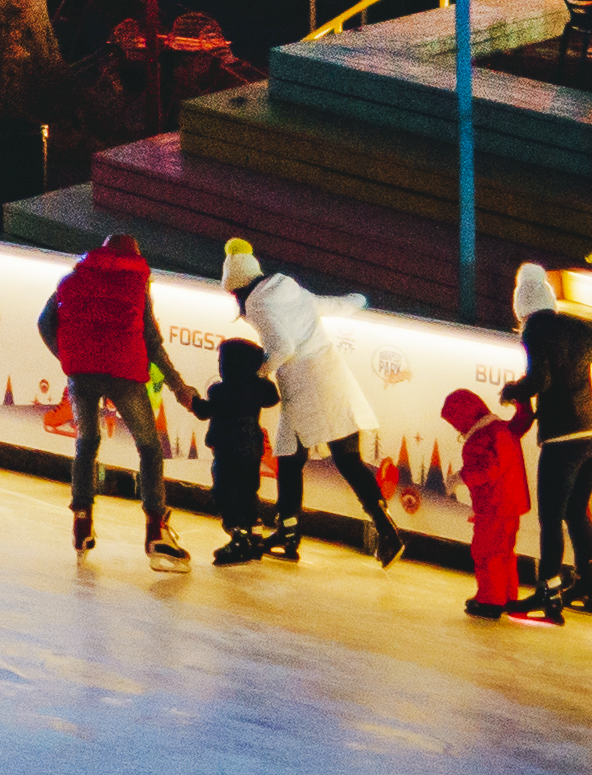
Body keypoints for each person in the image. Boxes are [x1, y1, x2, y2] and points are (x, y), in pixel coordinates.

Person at [219, 242, 399, 569]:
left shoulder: (257, 303)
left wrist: (257, 375)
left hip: (306, 385)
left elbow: (283, 347)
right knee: (295, 457)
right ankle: (289, 533)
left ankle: (384, 533)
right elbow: (328, 305)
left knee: (332, 460)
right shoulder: (286, 286)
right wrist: (361, 299)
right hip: (330, 374)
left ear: (237, 286)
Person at [36, 233, 198, 566]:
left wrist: (69, 356)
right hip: (124, 372)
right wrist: (180, 388)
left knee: (87, 442)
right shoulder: (137, 284)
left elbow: (44, 322)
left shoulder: (74, 277)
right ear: (134, 256)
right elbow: (152, 343)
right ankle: (155, 530)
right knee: (149, 446)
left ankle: (82, 522)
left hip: (82, 372)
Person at [512, 260, 592, 618]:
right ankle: (587, 586)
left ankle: (548, 594)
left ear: (522, 306)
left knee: (551, 518)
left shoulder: (534, 331)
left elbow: (541, 380)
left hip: (564, 435)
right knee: (575, 511)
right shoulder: (573, 325)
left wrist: (513, 391)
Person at [445, 388, 539, 621]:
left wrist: (462, 477)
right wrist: (522, 402)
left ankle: (490, 600)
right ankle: (506, 596)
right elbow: (522, 422)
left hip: (494, 505)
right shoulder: (501, 429)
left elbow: (490, 469)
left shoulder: (485, 436)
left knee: (486, 552)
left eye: (456, 422)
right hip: (509, 504)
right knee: (504, 552)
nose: (457, 428)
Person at [200, 337, 282, 565]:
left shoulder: (219, 391)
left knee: (224, 493)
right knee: (248, 492)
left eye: (222, 360)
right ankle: (254, 534)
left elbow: (205, 411)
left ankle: (238, 536)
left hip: (227, 450)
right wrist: (261, 375)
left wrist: (193, 402)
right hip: (251, 450)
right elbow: (272, 397)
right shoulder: (259, 389)